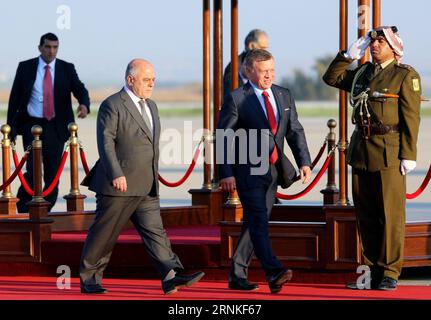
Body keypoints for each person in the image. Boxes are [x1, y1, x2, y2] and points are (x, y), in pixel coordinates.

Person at [79, 59, 204, 295]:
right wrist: (116, 173)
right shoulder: (112, 104)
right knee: (105, 234)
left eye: (153, 80)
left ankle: (171, 275)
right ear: (130, 80)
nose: (151, 84)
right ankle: (90, 279)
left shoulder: (152, 106)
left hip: (146, 184)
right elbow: (105, 142)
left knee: (156, 232)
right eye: (147, 80)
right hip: (119, 185)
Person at [323, 26, 421, 291]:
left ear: (393, 47)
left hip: (389, 152)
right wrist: (347, 55)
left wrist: (408, 154)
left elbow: (411, 117)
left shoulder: (404, 75)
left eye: (380, 42)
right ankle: (370, 272)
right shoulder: (363, 73)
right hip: (362, 151)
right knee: (365, 217)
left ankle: (390, 271)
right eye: (373, 42)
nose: (374, 45)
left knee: (390, 216)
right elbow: (331, 78)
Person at [217, 49, 312, 293]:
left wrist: (304, 162)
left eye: (272, 70)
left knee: (254, 222)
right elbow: (223, 138)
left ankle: (237, 275)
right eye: (263, 71)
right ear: (248, 71)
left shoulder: (283, 94)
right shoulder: (237, 98)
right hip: (247, 171)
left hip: (273, 171)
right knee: (258, 220)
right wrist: (225, 173)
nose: (269, 76)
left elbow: (294, 130)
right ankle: (274, 271)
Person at [7, 32, 90, 213]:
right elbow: (15, 98)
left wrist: (84, 104)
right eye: (47, 47)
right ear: (40, 48)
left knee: (53, 173)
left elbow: (79, 88)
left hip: (56, 128)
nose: (51, 51)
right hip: (32, 126)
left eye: (55, 47)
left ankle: (45, 209)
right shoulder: (26, 67)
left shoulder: (66, 68)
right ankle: (23, 209)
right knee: (32, 172)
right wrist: (11, 128)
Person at [223, 29, 269, 99]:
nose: (265, 52)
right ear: (251, 46)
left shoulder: (263, 65)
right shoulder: (234, 67)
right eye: (262, 48)